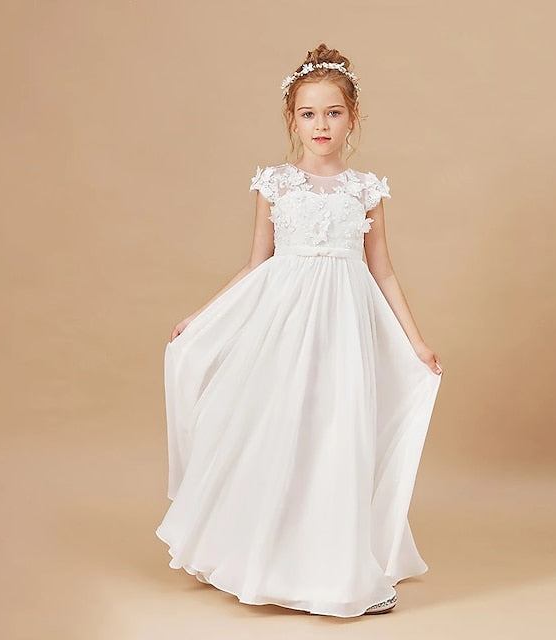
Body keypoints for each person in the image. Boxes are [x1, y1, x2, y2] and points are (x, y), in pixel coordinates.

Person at [156, 43, 443, 618]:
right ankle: (261, 554)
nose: (321, 124)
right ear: (292, 119)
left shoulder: (366, 190)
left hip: (345, 325)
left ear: (353, 118)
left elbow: (383, 269)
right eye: (308, 113)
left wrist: (415, 342)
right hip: (283, 323)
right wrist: (202, 315)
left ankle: (335, 566)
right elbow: (256, 262)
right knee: (279, 424)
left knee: (337, 430)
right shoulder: (276, 184)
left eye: (333, 112)